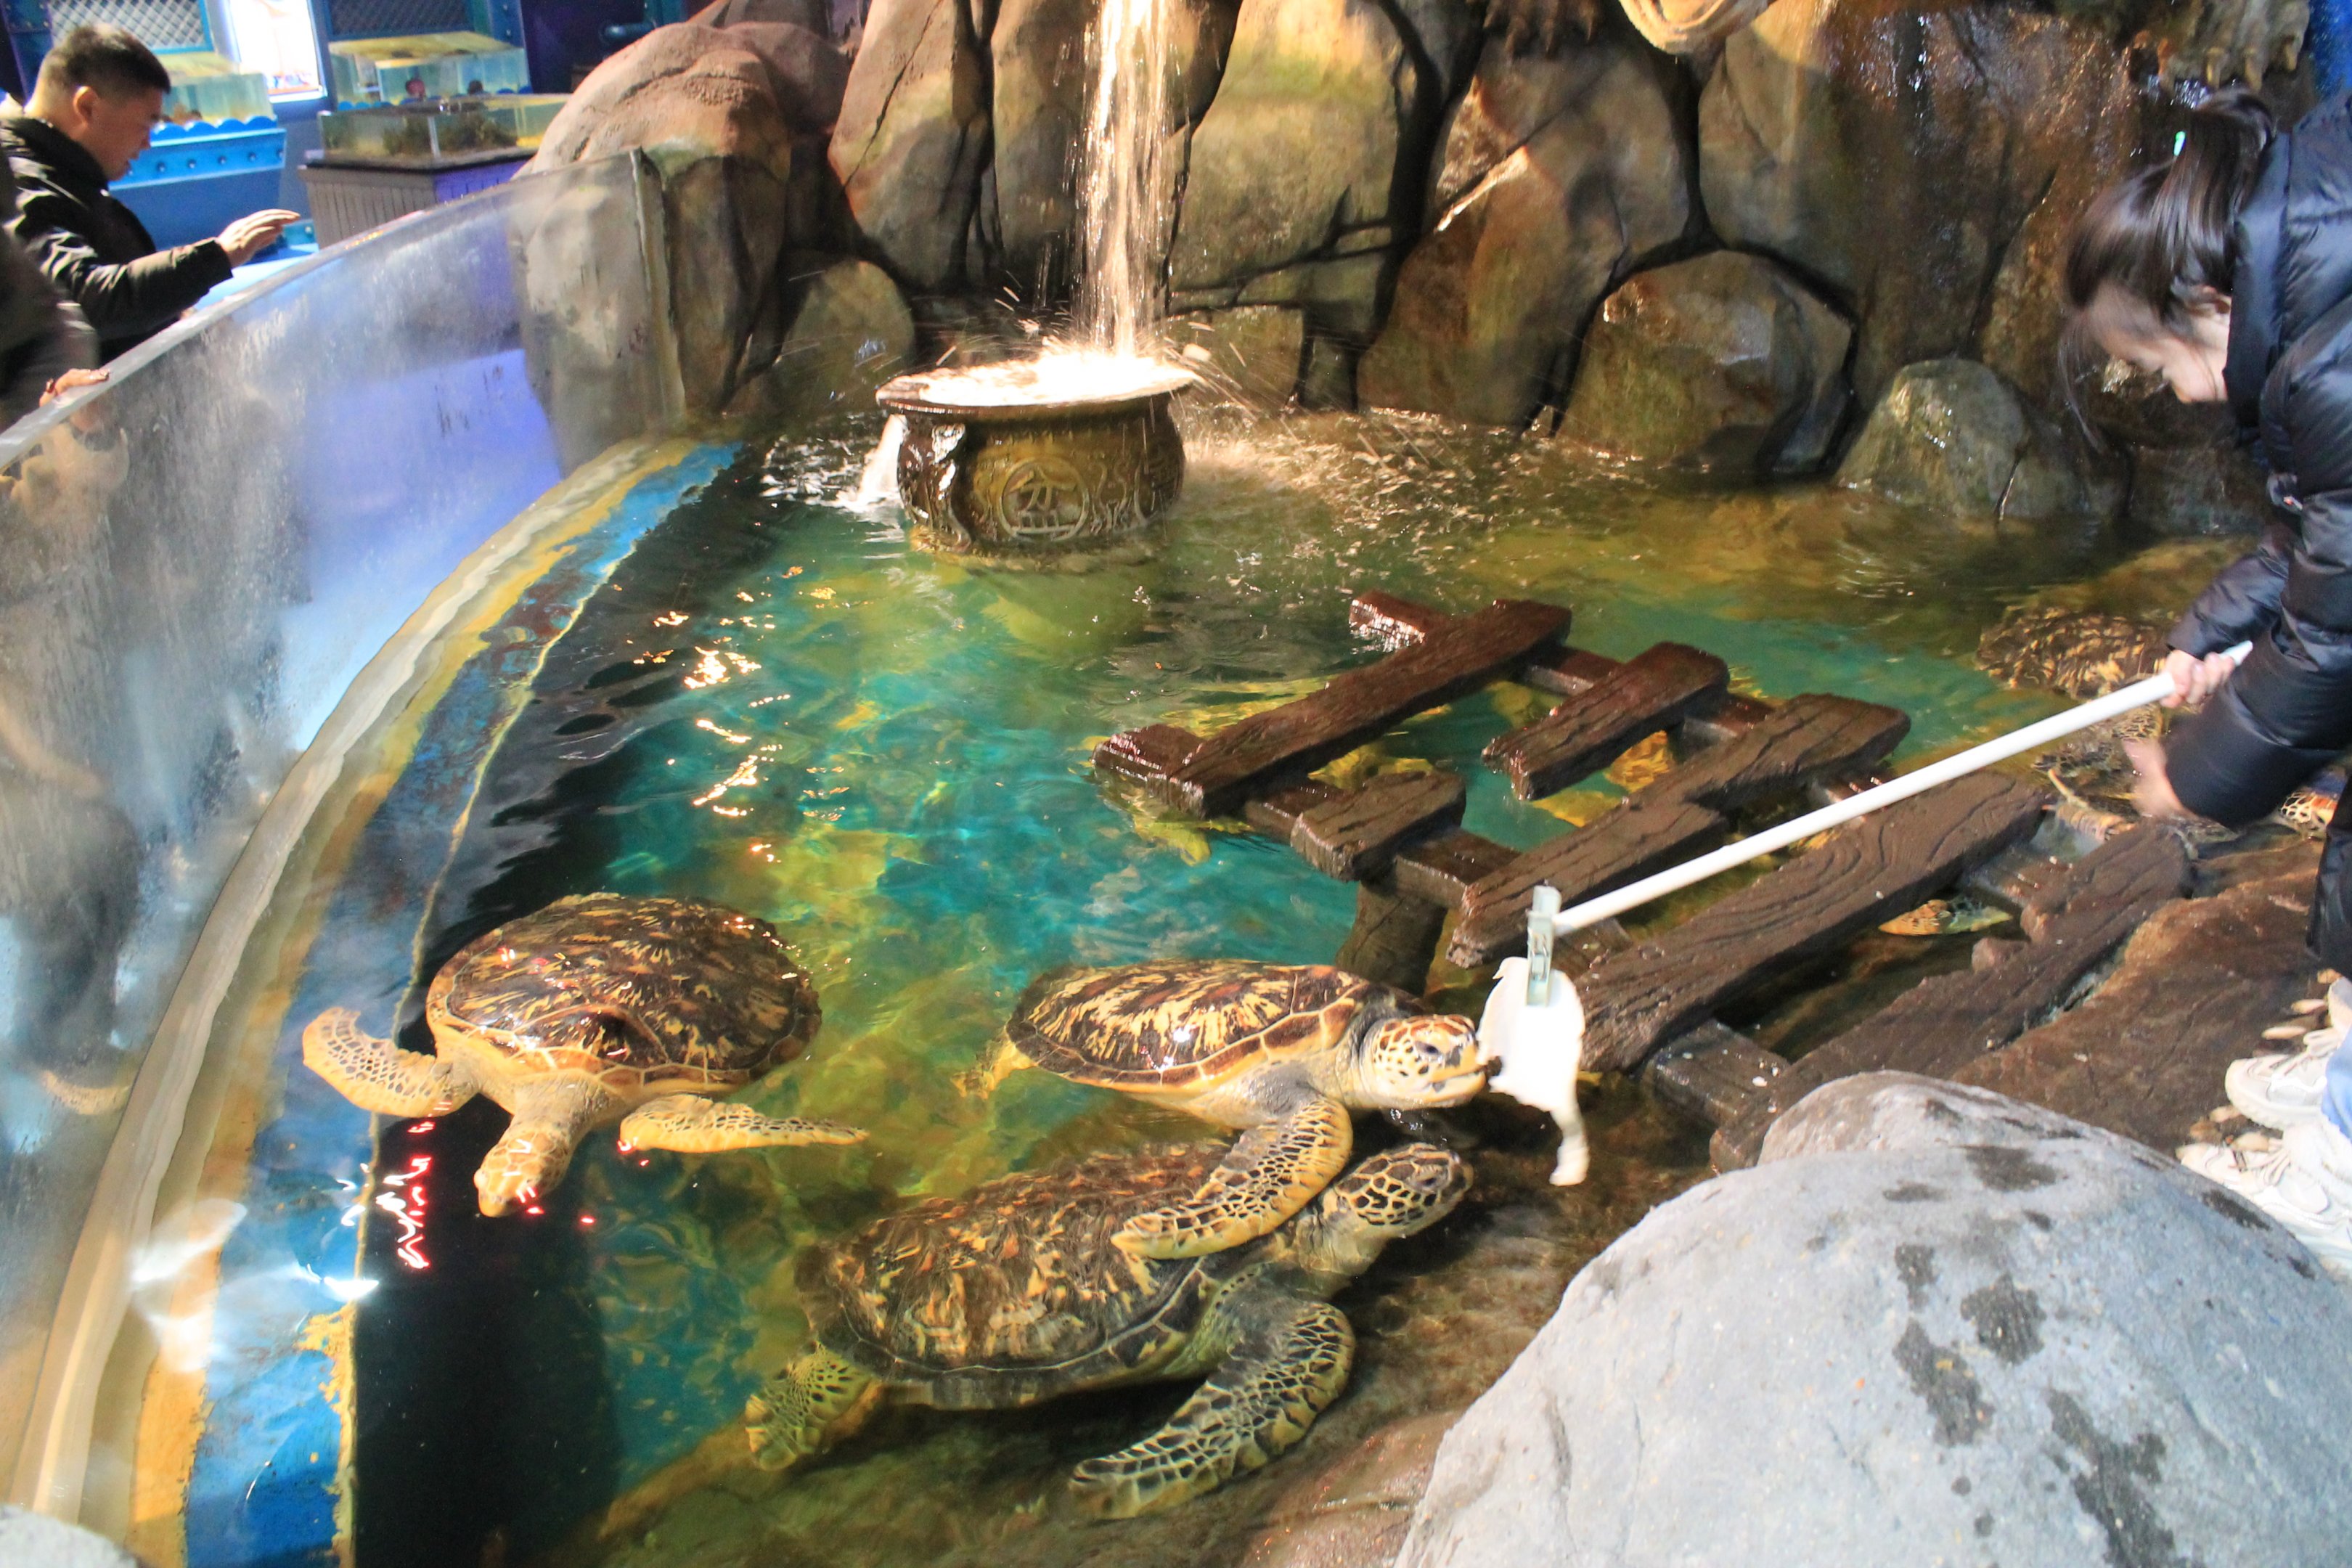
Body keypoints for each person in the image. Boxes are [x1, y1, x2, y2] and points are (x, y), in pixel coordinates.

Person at [2064, 87, 2352, 1276]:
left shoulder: (2328, 354)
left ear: (2210, 300)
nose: (2180, 394)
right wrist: (2217, 629)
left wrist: (2196, 780)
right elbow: (2319, 533)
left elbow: (2339, 639)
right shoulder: (2308, 274)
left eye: (2164, 361)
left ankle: (2344, 1161)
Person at [1, 25, 298, 360]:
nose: (147, 144)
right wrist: (217, 256)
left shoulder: (63, 171)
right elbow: (81, 303)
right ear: (87, 107)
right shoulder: (17, 183)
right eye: (145, 125)